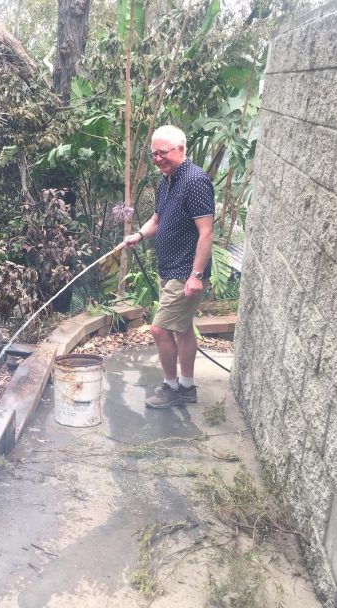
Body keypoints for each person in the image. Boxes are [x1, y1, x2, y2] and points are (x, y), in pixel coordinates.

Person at [120, 125, 214, 408]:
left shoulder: (195, 181)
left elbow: (206, 232)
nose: (158, 159)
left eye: (163, 153)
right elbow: (158, 220)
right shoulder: (168, 180)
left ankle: (171, 387)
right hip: (170, 267)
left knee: (159, 330)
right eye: (154, 154)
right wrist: (137, 235)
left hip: (185, 272)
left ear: (181, 150)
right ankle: (186, 386)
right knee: (182, 329)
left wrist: (196, 275)